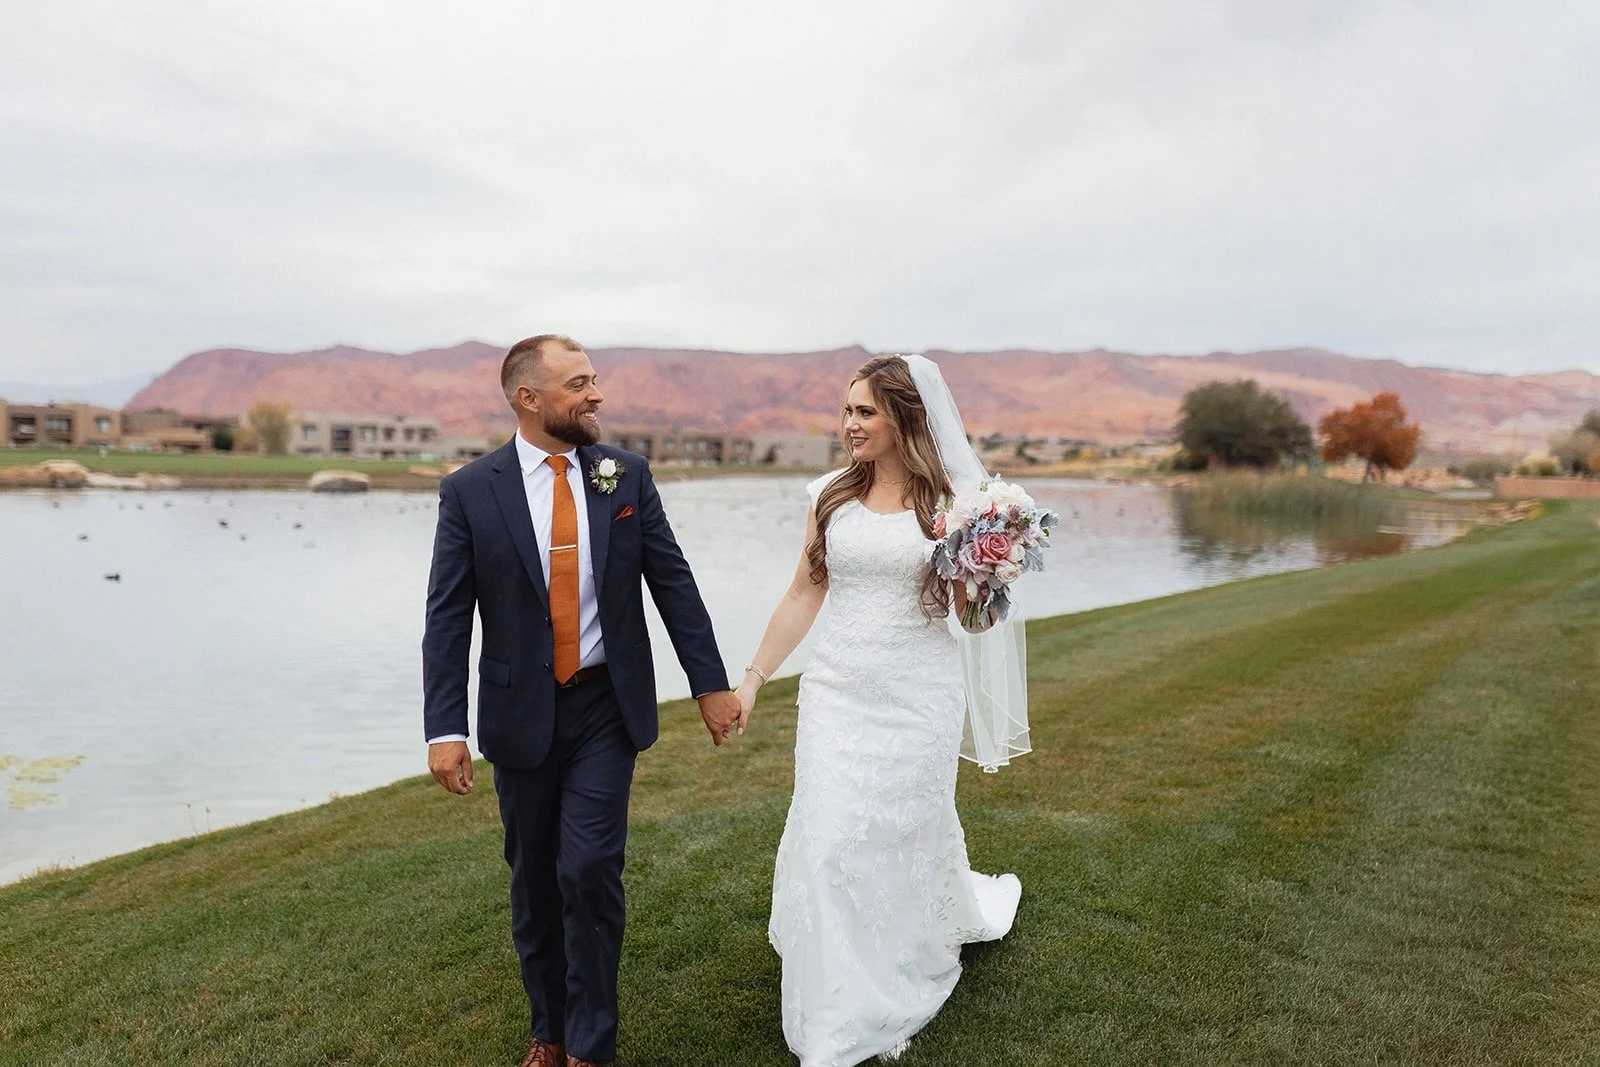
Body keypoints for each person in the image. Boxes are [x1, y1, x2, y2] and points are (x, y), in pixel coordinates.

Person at [422, 334, 743, 1067]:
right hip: (519, 714)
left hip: (606, 705)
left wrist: (709, 682)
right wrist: (445, 727)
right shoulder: (471, 490)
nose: (596, 395)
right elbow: (447, 614)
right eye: (578, 384)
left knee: (589, 867)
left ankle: (591, 1044)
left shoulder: (624, 475)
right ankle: (550, 1029)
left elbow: (673, 581)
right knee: (535, 881)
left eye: (594, 379)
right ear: (528, 399)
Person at [736, 354, 1028, 1066]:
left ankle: (897, 963)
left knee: (899, 836)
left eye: (865, 411)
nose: (849, 424)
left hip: (917, 695)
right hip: (836, 691)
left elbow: (975, 619)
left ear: (904, 417)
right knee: (831, 840)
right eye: (846, 410)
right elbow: (805, 592)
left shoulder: (955, 503)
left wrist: (986, 570)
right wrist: (753, 677)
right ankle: (837, 1008)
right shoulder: (828, 495)